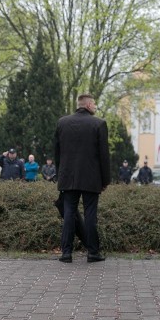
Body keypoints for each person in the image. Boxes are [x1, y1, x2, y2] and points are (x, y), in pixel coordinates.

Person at [54, 94, 110, 263]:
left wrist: (60, 175)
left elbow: (57, 153)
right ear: (88, 105)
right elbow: (104, 156)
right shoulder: (99, 124)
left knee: (69, 214)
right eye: (94, 104)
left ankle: (66, 253)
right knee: (90, 214)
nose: (95, 107)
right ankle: (92, 252)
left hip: (68, 177)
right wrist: (105, 180)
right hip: (91, 178)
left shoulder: (62, 123)